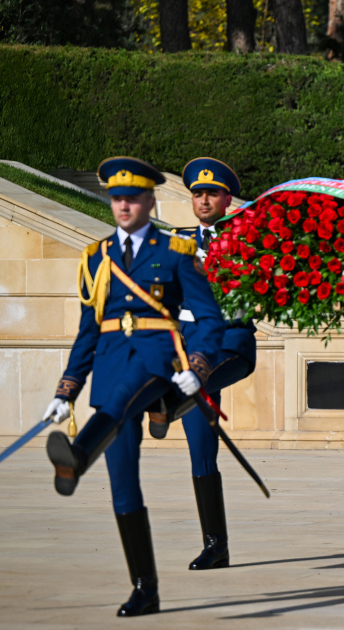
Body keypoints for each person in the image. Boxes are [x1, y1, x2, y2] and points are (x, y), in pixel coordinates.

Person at [41, 157, 225, 616]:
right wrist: (66, 391)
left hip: (155, 358)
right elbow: (88, 331)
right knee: (123, 480)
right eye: (117, 198)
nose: (123, 206)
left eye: (133, 198)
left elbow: (209, 317)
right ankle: (145, 588)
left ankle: (77, 456)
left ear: (150, 201)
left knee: (123, 398)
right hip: (108, 363)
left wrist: (199, 364)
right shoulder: (95, 256)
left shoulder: (175, 252)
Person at [146, 158, 258, 570]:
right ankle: (216, 546)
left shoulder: (250, 240)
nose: (204, 200)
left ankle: (165, 405)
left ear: (228, 200)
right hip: (189, 345)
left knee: (194, 381)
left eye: (212, 193)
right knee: (201, 452)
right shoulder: (175, 242)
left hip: (229, 344)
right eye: (198, 194)